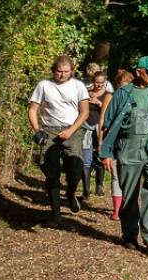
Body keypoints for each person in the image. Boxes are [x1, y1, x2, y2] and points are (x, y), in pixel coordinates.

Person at [100, 56, 148, 254]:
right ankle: (129, 234)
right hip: (128, 149)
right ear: (138, 72)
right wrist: (106, 153)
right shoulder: (122, 94)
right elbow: (107, 125)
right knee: (129, 195)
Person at [28, 55, 89, 224]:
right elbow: (33, 109)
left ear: (72, 71)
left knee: (75, 169)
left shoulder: (78, 86)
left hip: (73, 130)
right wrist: (37, 130)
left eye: (66, 72)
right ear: (53, 71)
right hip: (50, 131)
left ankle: (70, 195)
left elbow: (85, 112)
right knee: (51, 172)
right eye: (59, 72)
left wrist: (71, 130)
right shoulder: (44, 85)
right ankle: (56, 214)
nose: (62, 75)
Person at [99, 69, 133, 221]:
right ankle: (117, 210)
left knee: (131, 176)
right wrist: (102, 142)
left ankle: (128, 204)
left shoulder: (137, 98)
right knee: (115, 175)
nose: (124, 89)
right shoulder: (111, 97)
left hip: (131, 142)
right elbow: (103, 121)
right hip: (113, 140)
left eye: (127, 85)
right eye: (121, 86)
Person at [80, 70, 109, 202]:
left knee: (99, 157)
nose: (99, 85)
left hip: (100, 129)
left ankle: (99, 185)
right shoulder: (85, 93)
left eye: (102, 83)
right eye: (97, 82)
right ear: (93, 81)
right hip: (86, 128)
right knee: (86, 160)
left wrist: (98, 103)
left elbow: (109, 112)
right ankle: (86, 191)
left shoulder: (107, 95)